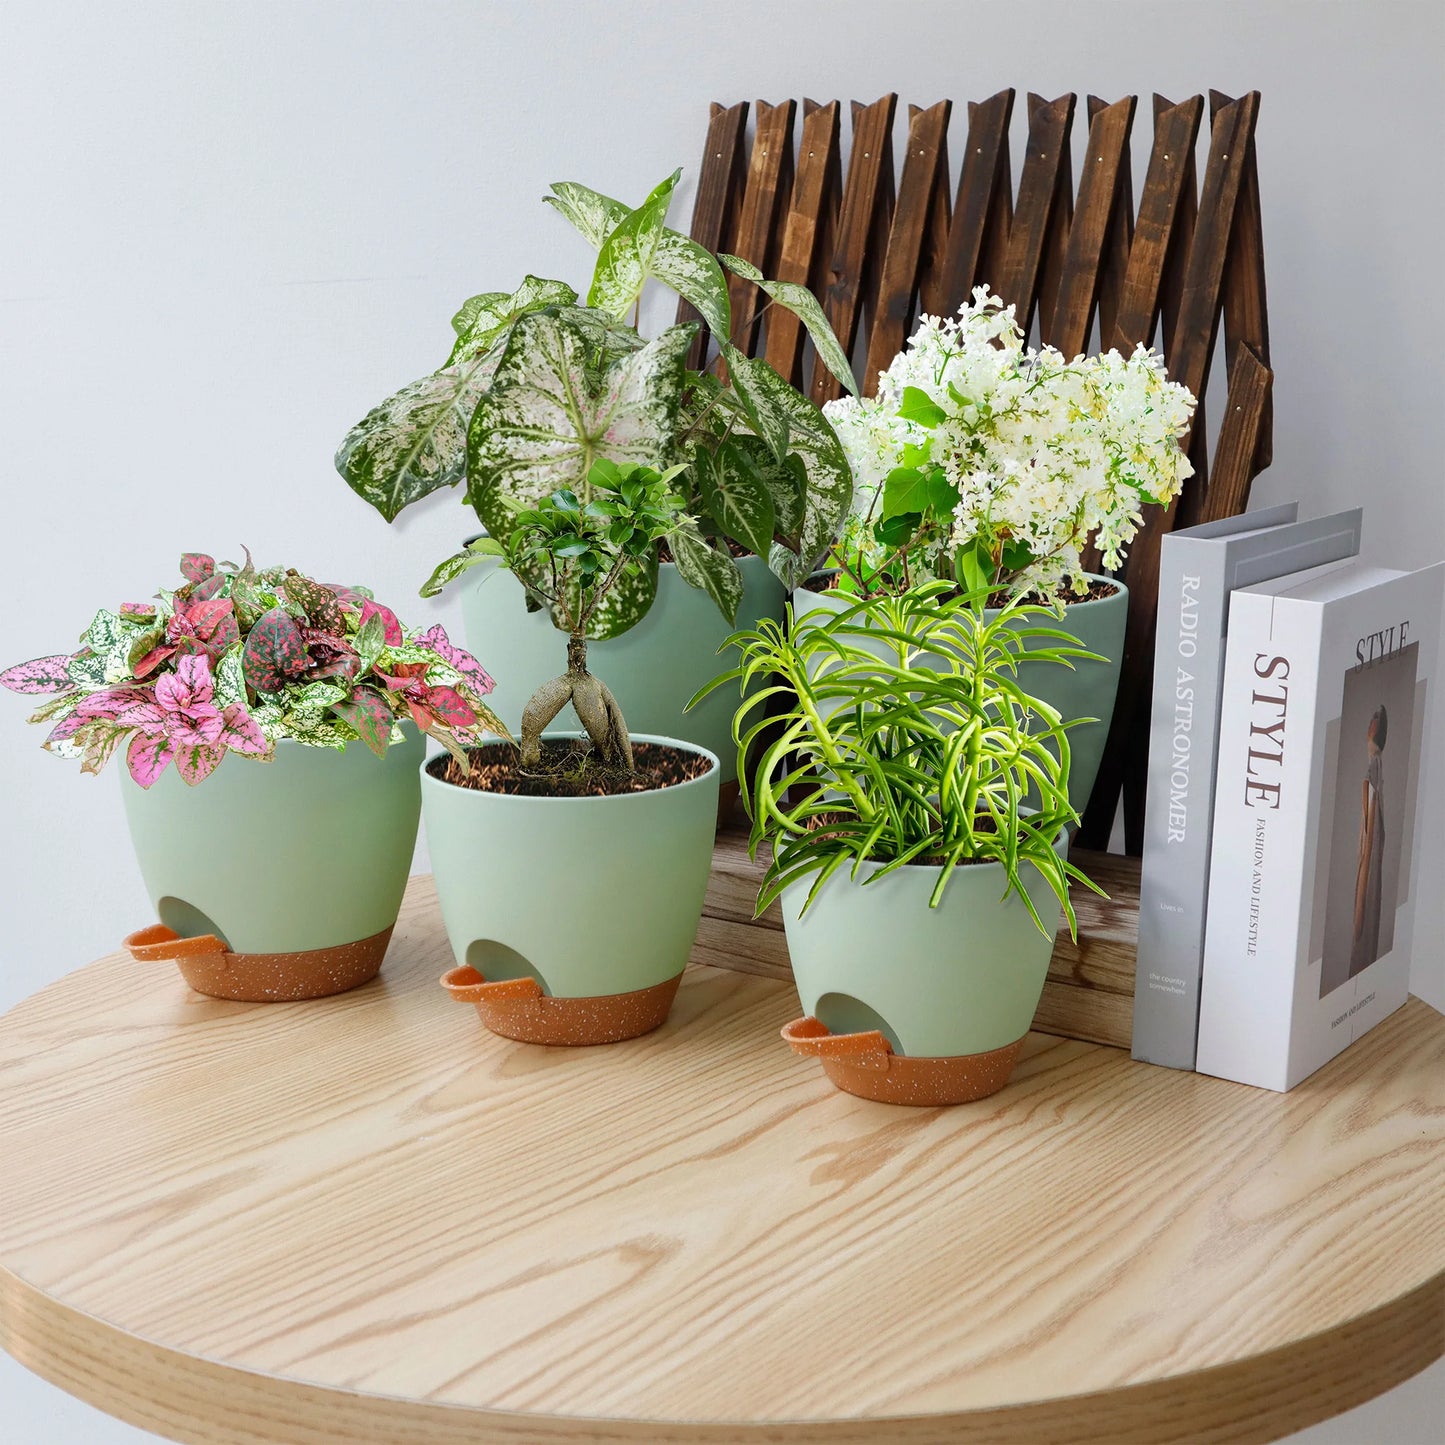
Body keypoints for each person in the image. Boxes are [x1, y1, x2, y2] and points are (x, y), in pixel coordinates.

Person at [1350, 704, 1388, 972]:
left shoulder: (1375, 765)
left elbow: (1370, 794)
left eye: (1374, 722)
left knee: (1362, 917)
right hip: (1368, 845)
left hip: (1369, 847)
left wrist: (1365, 848)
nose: (1370, 726)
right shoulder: (1376, 764)